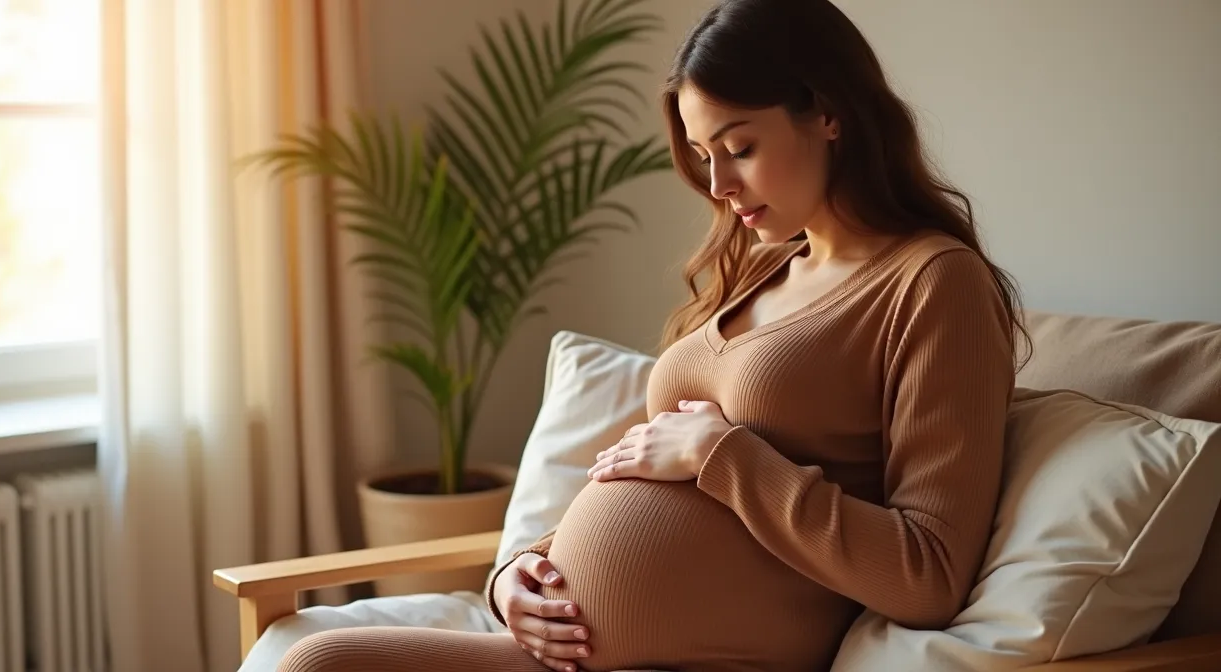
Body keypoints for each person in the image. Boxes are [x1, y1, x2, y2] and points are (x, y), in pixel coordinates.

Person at [277, 0, 1026, 670]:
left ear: (828, 113)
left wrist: (719, 452)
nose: (719, 187)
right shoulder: (764, 272)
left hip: (712, 653)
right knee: (317, 661)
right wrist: (518, 578)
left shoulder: (933, 283)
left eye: (739, 147)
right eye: (704, 157)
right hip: (566, 647)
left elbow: (926, 574)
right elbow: (639, 468)